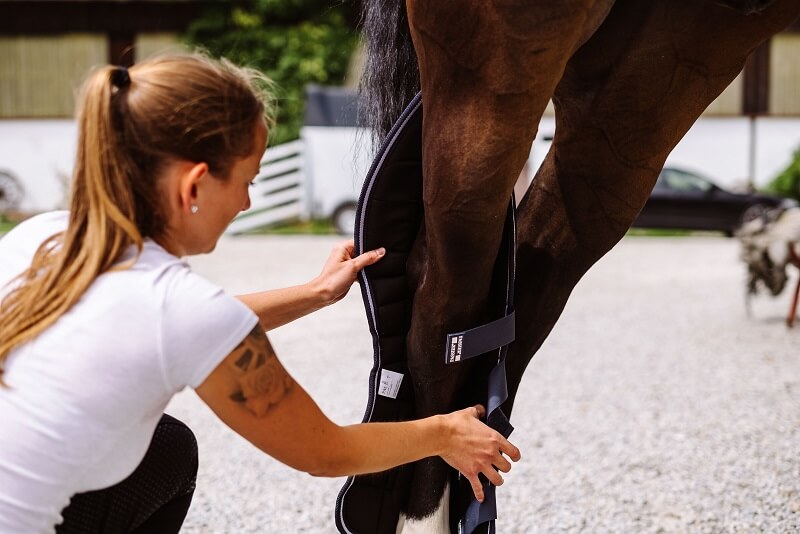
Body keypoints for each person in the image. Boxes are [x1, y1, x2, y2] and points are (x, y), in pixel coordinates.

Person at [0, 53, 521, 533]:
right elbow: (324, 450)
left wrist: (315, 293)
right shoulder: (178, 310)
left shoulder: (44, 235)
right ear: (194, 185)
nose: (247, 203)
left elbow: (180, 330)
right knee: (168, 451)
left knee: (166, 447)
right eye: (247, 180)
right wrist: (443, 434)